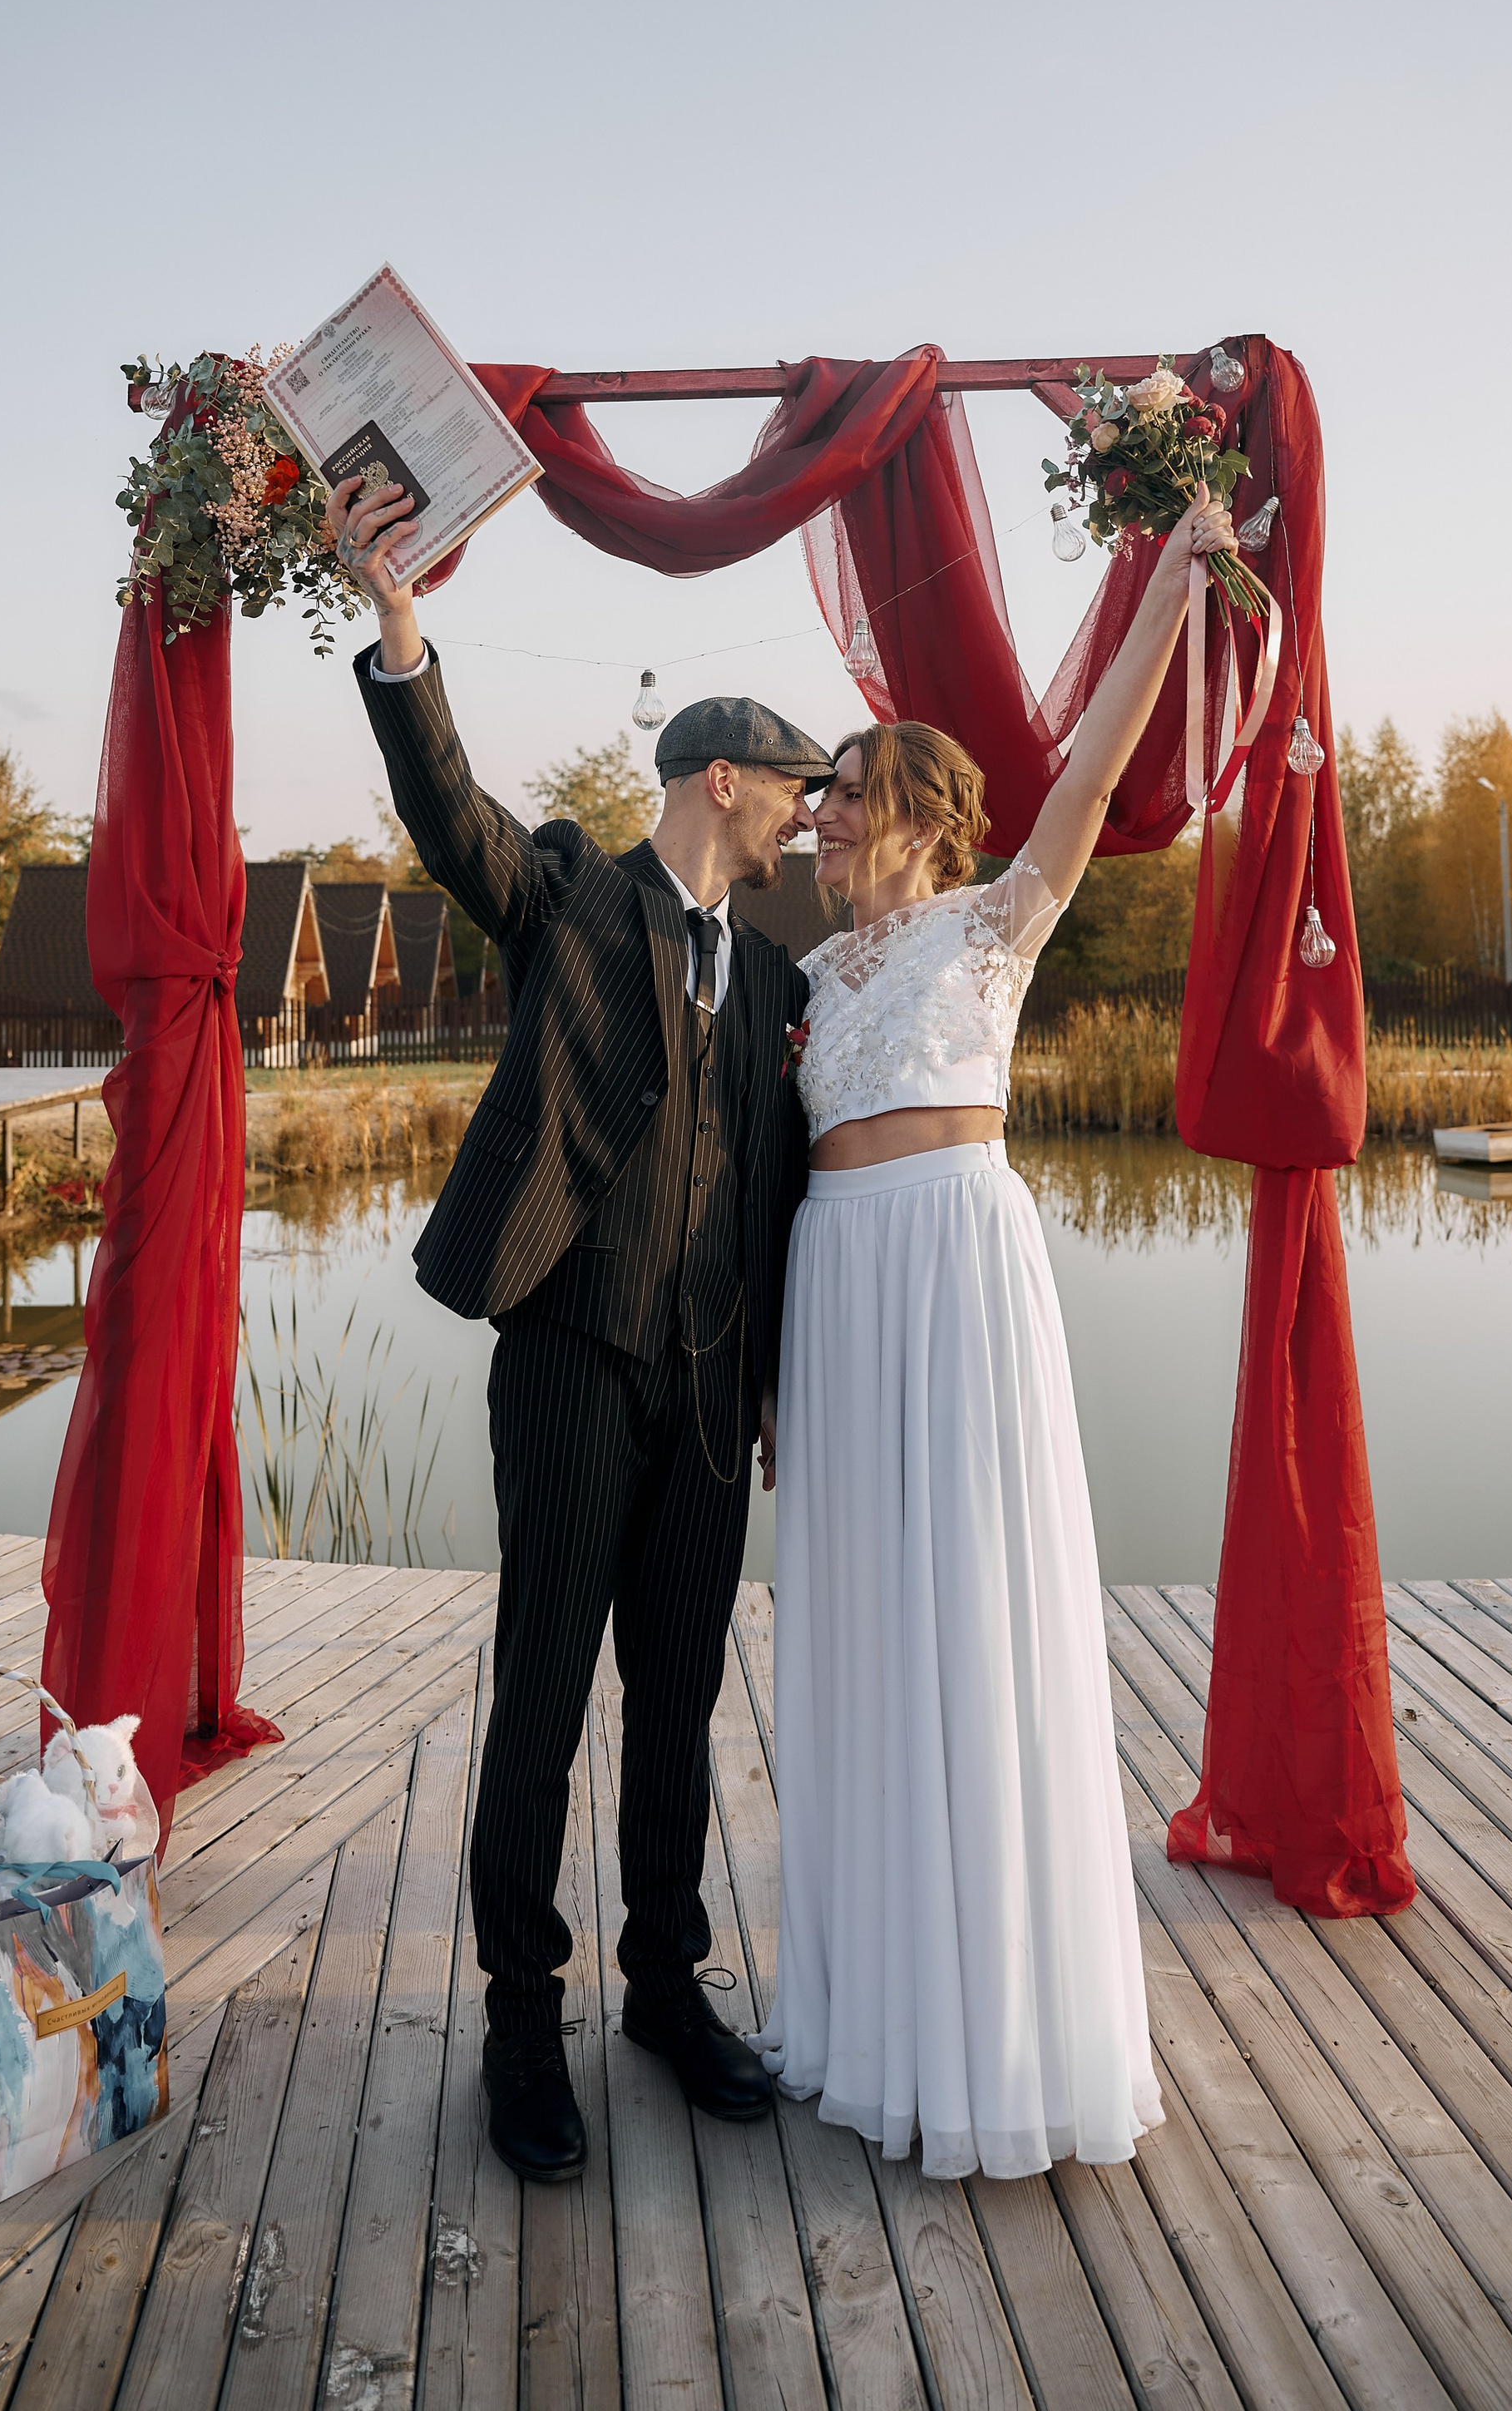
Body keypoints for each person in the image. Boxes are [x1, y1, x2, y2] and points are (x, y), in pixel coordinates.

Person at [334, 468, 828, 2187]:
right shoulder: (567, 894)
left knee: (676, 1703)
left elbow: (779, 1194)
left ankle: (664, 1994)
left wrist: (767, 1384)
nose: (801, 818)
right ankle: (520, 2024)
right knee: (540, 1701)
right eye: (789, 788)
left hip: (706, 1395)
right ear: (716, 777)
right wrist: (401, 630)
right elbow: (447, 812)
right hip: (564, 1360)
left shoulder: (776, 981)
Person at [754, 489, 1240, 2180]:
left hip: (957, 1276)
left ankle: (998, 2025)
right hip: (832, 1291)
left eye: (842, 806)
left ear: (921, 824)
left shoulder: (991, 929)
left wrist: (1169, 582)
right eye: (814, 810)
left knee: (968, 1610)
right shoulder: (797, 980)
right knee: (862, 1631)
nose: (819, 830)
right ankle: (872, 2007)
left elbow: (1095, 777)